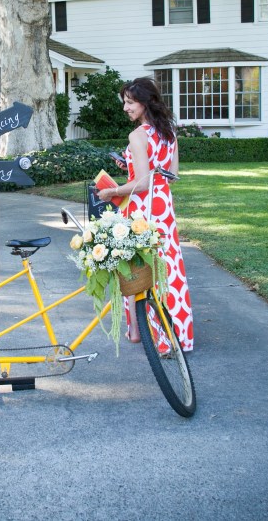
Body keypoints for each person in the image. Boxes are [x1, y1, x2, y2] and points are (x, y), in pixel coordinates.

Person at [96, 77, 193, 352]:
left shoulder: (137, 136)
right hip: (164, 207)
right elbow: (170, 175)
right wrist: (128, 162)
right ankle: (175, 335)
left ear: (145, 102)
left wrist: (112, 190)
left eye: (130, 102)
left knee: (135, 264)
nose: (125, 108)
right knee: (167, 266)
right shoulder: (169, 132)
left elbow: (141, 182)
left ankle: (136, 331)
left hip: (142, 208)